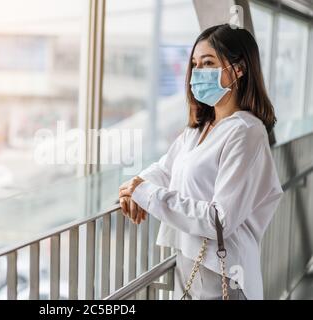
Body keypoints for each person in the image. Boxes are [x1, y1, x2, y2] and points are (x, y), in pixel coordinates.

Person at [118, 24, 284, 300]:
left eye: (208, 63)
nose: (197, 73)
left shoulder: (246, 132)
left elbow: (220, 219)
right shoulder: (200, 128)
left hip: (224, 273)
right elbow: (166, 169)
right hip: (189, 261)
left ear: (239, 69)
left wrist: (145, 193)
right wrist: (133, 188)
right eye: (195, 64)